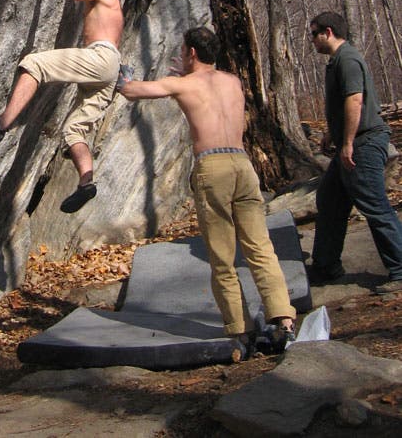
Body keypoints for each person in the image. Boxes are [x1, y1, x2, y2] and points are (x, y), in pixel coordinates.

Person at [118, 26, 296, 346]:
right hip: (243, 164)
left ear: (192, 53)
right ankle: (283, 317)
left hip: (212, 167)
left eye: (184, 50)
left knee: (222, 255)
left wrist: (119, 69)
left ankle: (240, 329)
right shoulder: (233, 82)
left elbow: (130, 90)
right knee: (260, 247)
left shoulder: (181, 84)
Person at [0, 0, 123, 213]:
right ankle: (86, 183)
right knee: (74, 130)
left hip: (100, 57)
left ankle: (1, 124)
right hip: (109, 69)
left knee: (35, 64)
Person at [308, 11, 402, 293]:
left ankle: (399, 269)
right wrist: (331, 133)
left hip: (364, 143)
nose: (311, 40)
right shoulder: (337, 61)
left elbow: (355, 100)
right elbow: (341, 104)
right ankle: (326, 267)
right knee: (330, 199)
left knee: (374, 204)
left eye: (314, 34)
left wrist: (347, 142)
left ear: (328, 32)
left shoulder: (347, 59)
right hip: (351, 142)